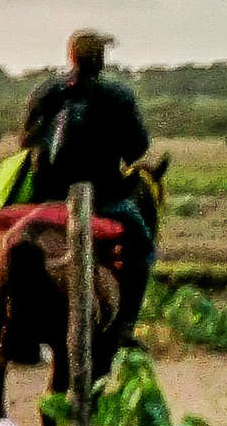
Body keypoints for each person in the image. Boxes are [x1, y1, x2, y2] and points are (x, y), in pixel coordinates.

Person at [19, 29, 155, 342]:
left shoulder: (45, 91)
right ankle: (124, 328)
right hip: (103, 199)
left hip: (46, 200)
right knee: (144, 248)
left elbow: (25, 141)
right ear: (100, 59)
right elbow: (138, 149)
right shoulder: (118, 96)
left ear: (71, 57)